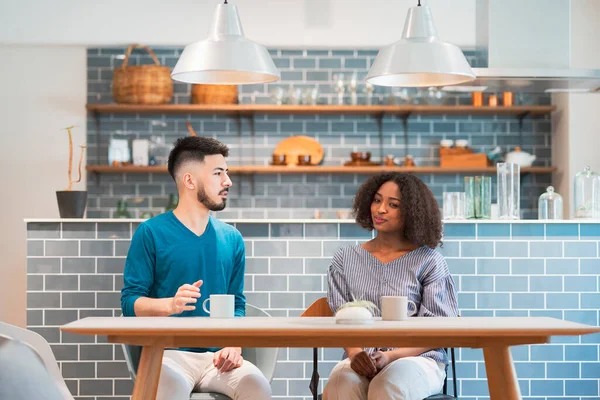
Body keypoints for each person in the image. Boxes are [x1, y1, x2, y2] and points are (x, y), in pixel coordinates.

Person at [120, 136, 271, 400]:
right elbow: (129, 302)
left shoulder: (232, 238)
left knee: (257, 386)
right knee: (167, 388)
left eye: (227, 172)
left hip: (219, 359)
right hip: (168, 354)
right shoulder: (150, 233)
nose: (228, 181)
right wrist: (170, 305)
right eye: (218, 173)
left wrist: (234, 344)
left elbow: (237, 302)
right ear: (189, 181)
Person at [323, 172, 459, 400]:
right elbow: (341, 318)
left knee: (386, 387)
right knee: (340, 386)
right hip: (360, 357)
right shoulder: (344, 259)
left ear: (412, 212)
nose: (380, 209)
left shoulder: (430, 261)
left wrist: (391, 356)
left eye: (393, 204)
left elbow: (440, 332)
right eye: (377, 200)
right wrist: (355, 354)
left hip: (420, 360)